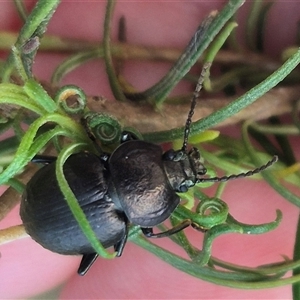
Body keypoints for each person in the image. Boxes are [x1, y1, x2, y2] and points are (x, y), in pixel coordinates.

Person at [0, 1, 299, 299]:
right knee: (100, 258)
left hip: (55, 206)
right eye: (175, 164)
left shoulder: (114, 162)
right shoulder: (120, 202)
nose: (179, 162)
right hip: (57, 210)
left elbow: (128, 139)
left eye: (175, 163)